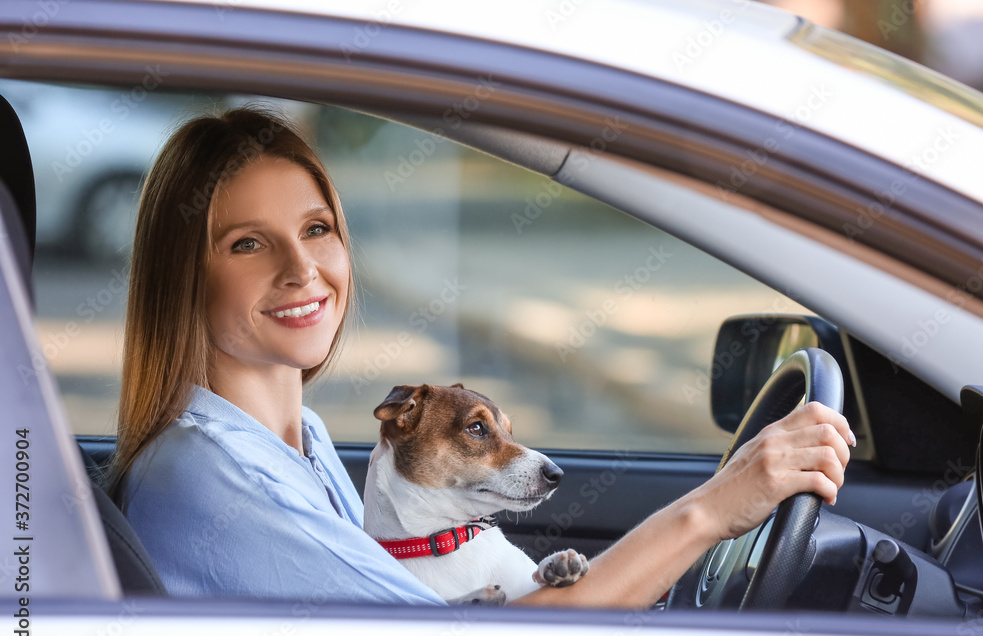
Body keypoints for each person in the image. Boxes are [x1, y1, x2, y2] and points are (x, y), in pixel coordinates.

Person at [108, 107, 853, 608]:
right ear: (186, 274)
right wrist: (714, 508)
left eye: (317, 228)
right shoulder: (211, 479)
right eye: (247, 242)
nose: (302, 268)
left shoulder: (299, 444)